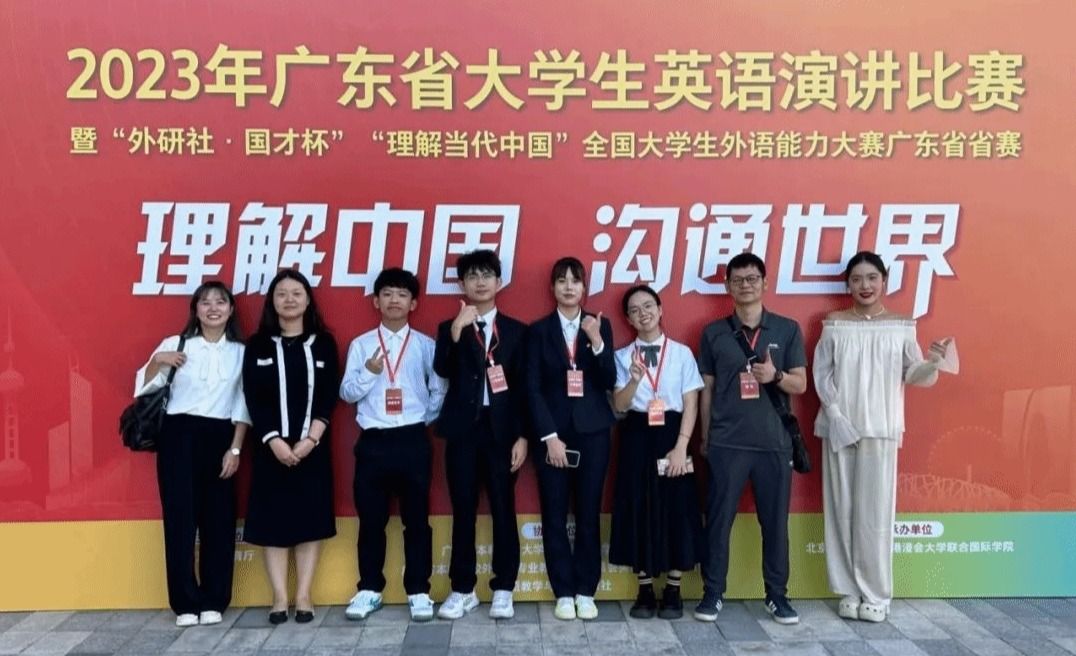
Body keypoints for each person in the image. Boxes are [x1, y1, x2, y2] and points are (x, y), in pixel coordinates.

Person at [813, 251, 950, 623]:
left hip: (882, 428)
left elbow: (913, 373)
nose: (865, 286)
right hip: (839, 427)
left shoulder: (902, 325)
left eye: (872, 278)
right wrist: (836, 415)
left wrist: (933, 362)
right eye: (857, 279)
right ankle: (848, 589)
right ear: (847, 284)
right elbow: (822, 374)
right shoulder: (835, 324)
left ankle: (876, 593)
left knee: (875, 514)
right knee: (840, 510)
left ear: (884, 281)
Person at [695, 252, 807, 625]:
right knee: (718, 522)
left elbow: (801, 384)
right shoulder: (713, 332)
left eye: (752, 278)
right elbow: (707, 390)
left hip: (774, 443)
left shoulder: (787, 329)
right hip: (727, 443)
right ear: (727, 286)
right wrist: (706, 436)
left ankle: (777, 596)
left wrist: (776, 377)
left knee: (774, 525)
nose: (746, 285)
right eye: (738, 279)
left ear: (765, 282)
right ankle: (713, 594)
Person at [134, 281, 250, 628]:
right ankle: (184, 602)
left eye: (220, 302)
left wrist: (235, 448)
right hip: (178, 436)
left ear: (231, 310)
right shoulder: (177, 343)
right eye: (205, 302)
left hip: (221, 436)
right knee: (180, 520)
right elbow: (143, 387)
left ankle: (215, 599)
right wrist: (158, 361)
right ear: (195, 310)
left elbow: (243, 404)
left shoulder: (241, 352)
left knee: (219, 521)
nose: (213, 308)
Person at [340, 268, 447, 622]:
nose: (394, 300)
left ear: (413, 303)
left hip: (413, 439)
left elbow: (439, 389)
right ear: (376, 301)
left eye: (402, 294)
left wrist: (420, 419)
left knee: (417, 521)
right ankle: (370, 589)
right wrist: (370, 372)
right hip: (373, 442)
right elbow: (347, 393)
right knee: (372, 521)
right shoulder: (361, 345)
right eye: (387, 294)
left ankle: (419, 591)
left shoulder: (425, 345)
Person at [433, 250, 529, 620]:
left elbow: (524, 389)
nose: (480, 282)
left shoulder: (517, 331)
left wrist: (523, 436)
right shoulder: (449, 327)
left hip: (502, 431)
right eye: (472, 276)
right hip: (463, 431)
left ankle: (504, 587)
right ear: (462, 284)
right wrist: (458, 330)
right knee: (463, 510)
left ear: (499, 282)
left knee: (504, 508)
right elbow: (442, 368)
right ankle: (462, 589)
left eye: (487, 275)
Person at [242, 270, 338, 625]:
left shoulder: (323, 343)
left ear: (308, 299)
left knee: (310, 521)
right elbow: (253, 395)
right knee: (274, 523)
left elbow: (328, 395)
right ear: (272, 301)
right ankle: (280, 597)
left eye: (296, 293)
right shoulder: (258, 345)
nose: (289, 300)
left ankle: (304, 595)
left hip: (313, 448)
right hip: (271, 450)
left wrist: (311, 439)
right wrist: (274, 441)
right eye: (281, 294)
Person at [525, 256, 616, 621]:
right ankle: (563, 591)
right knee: (554, 514)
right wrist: (549, 437)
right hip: (553, 436)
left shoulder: (599, 326)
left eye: (574, 281)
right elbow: (531, 389)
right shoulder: (538, 331)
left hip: (593, 434)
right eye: (561, 280)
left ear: (584, 287)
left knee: (588, 513)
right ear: (552, 288)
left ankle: (585, 590)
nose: (568, 286)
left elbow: (608, 380)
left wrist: (596, 342)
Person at [609, 285, 705, 620]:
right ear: (628, 318)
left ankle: (674, 589)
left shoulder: (681, 353)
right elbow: (619, 405)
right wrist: (634, 380)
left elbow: (691, 403)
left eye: (648, 306)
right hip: (636, 435)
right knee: (637, 505)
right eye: (635, 310)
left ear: (661, 309)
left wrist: (681, 446)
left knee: (677, 507)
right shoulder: (622, 356)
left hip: (674, 433)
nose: (643, 313)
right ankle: (645, 588)